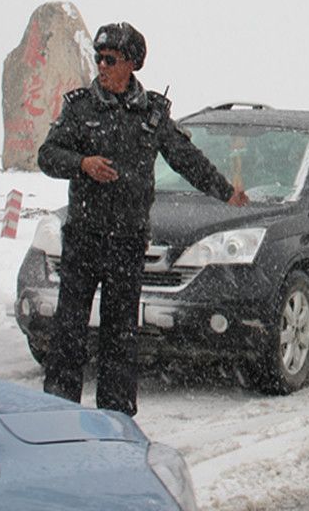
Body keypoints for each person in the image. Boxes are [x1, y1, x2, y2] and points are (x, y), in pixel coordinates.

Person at [37, 22, 247, 415]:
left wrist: (225, 191)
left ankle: (116, 415)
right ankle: (58, 410)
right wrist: (82, 163)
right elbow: (47, 156)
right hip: (84, 236)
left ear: (131, 63)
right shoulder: (80, 108)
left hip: (127, 241)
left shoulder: (151, 113)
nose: (102, 66)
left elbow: (186, 159)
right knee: (69, 329)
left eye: (110, 59)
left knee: (120, 333)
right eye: (98, 58)